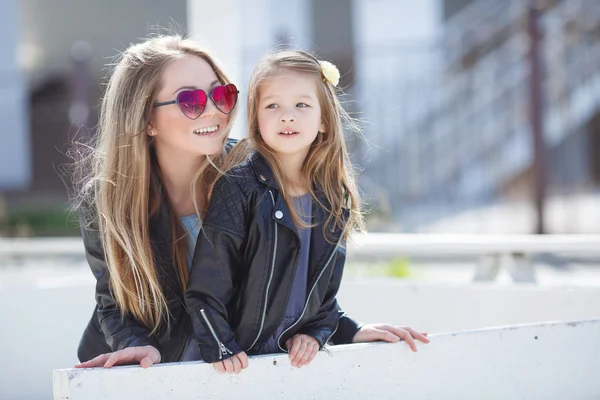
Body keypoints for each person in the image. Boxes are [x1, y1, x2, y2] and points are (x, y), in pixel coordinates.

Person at [74, 35, 428, 370]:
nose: (214, 111)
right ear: (146, 119)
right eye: (191, 101)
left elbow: (289, 282)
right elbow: (113, 301)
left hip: (227, 371)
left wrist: (347, 329)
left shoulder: (253, 176)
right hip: (136, 370)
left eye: (222, 95)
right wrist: (132, 344)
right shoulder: (107, 197)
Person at [184, 50, 429, 374]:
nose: (288, 116)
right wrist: (222, 347)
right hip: (233, 363)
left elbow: (321, 298)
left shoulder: (332, 197)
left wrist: (321, 333)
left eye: (302, 105)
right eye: (273, 106)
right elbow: (205, 288)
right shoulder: (239, 187)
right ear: (256, 118)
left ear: (324, 119)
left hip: (288, 365)